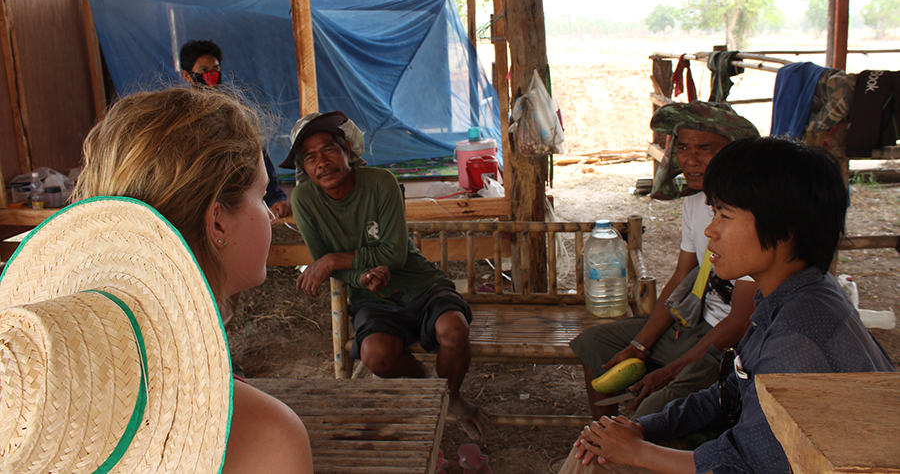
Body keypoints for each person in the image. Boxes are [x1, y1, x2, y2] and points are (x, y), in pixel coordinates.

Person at [564, 136, 897, 474]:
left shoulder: (795, 340)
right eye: (713, 213)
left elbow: (750, 464)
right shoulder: (789, 295)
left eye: (725, 215)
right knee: (597, 454)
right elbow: (731, 391)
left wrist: (636, 453)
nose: (711, 230)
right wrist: (646, 428)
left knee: (594, 464)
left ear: (785, 230)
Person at [73, 87, 314, 473]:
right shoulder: (266, 435)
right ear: (217, 221)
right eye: (260, 195)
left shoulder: (67, 377)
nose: (270, 216)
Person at [279, 110, 488, 438]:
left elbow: (394, 253)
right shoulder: (305, 198)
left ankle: (454, 398)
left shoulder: (381, 183)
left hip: (419, 283)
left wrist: (335, 259)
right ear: (303, 168)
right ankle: (431, 388)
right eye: (309, 157)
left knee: (454, 329)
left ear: (347, 150)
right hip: (370, 295)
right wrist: (360, 277)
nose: (321, 162)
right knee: (376, 355)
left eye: (329, 150)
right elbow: (325, 263)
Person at [570, 101, 760, 421]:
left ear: (735, 152)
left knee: (654, 409)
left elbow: (739, 322)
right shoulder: (695, 200)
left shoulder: (752, 214)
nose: (690, 159)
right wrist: (639, 346)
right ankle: (605, 431)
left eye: (706, 148)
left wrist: (670, 371)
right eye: (683, 146)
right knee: (595, 344)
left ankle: (635, 444)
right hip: (691, 319)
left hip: (729, 343)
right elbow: (680, 276)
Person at [179, 39, 290, 337]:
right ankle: (204, 357)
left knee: (224, 292)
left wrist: (274, 195)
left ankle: (220, 356)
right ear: (187, 75)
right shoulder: (181, 118)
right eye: (204, 70)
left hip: (230, 214)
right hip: (198, 215)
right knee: (195, 292)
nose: (212, 75)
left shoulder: (232, 112)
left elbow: (258, 158)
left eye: (216, 69)